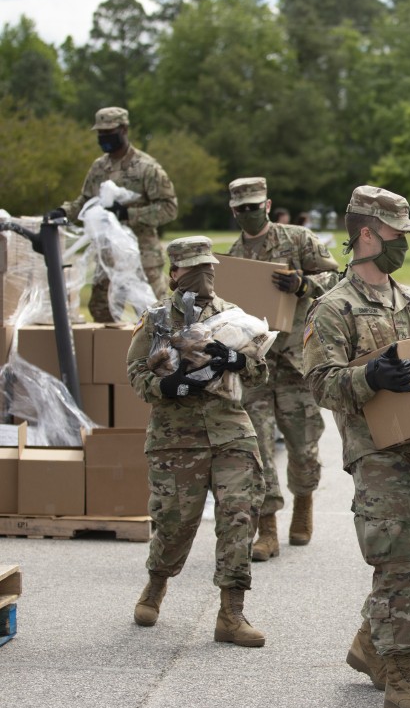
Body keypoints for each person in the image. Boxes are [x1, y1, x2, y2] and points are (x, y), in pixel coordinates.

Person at [302, 186, 410, 708]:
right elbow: (320, 384)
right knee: (398, 561)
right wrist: (369, 376)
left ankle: (370, 641)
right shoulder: (333, 309)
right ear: (367, 233)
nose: (403, 245)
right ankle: (401, 678)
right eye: (396, 235)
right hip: (378, 454)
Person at [127, 236, 267, 647]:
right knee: (174, 521)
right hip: (175, 437)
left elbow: (260, 370)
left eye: (205, 268)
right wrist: (169, 385)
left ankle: (231, 612)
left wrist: (237, 360)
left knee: (240, 514)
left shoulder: (234, 318)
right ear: (173, 274)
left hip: (231, 430)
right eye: (189, 270)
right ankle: (156, 584)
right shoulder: (154, 321)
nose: (199, 277)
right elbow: (136, 375)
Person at [226, 177, 339, 559]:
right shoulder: (234, 257)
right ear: (233, 211)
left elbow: (336, 278)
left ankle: (304, 503)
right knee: (256, 447)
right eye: (241, 208)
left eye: (255, 206)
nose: (249, 214)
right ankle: (267, 527)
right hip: (255, 366)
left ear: (268, 204)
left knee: (303, 445)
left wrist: (303, 284)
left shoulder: (297, 240)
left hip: (295, 361)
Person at [54, 106, 178, 322]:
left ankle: (158, 356)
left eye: (108, 132)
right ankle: (110, 354)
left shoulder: (146, 167)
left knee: (156, 315)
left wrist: (127, 213)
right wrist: (63, 212)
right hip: (108, 258)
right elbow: (84, 201)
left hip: (142, 256)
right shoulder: (99, 167)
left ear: (124, 129)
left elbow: (169, 208)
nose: (103, 137)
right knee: (102, 312)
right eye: (100, 133)